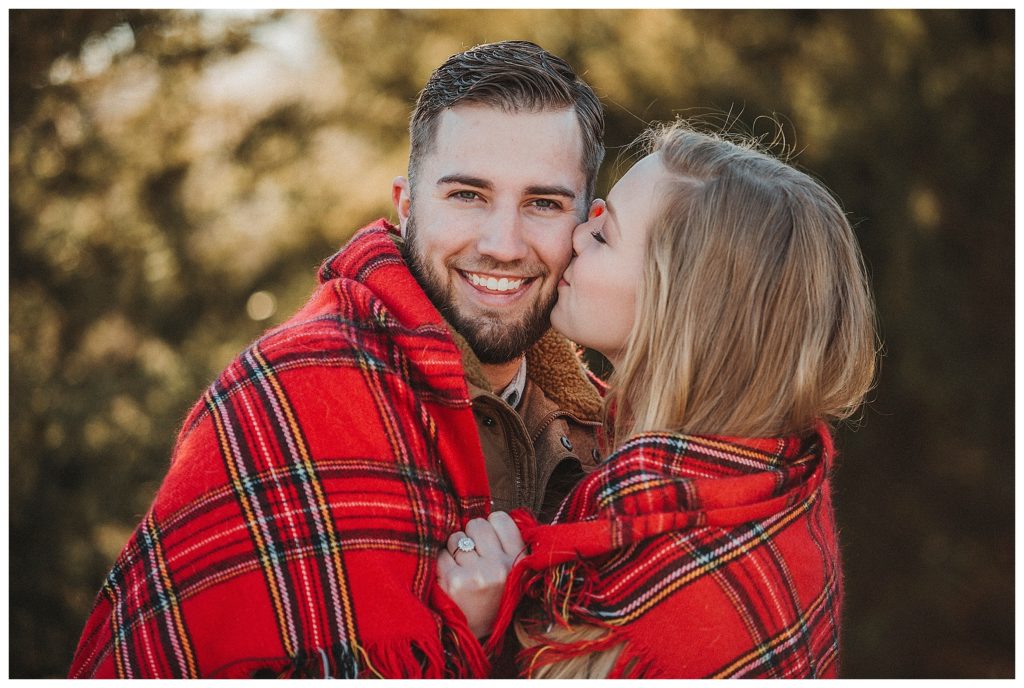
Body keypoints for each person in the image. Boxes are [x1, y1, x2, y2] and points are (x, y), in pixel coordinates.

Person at [67, 40, 606, 679]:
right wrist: (460, 637)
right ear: (407, 206)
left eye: (543, 204)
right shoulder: (282, 397)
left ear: (589, 224)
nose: (503, 244)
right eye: (468, 195)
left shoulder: (614, 433)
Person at [438, 121, 877, 678]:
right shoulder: (765, 482)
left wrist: (478, 633)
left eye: (604, 236)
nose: (575, 236)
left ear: (677, 307)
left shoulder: (677, 581)